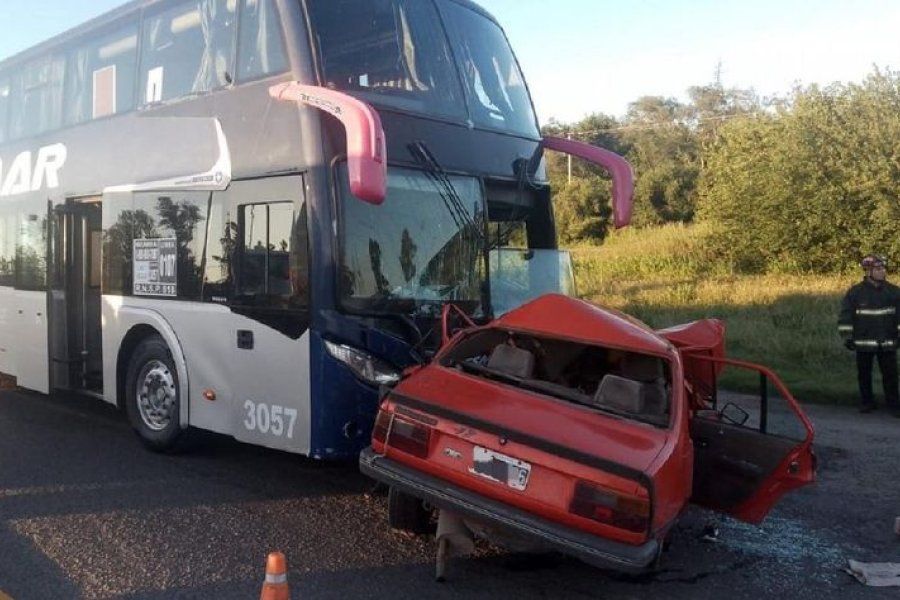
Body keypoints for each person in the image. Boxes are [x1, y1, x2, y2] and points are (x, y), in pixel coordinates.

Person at [838, 255, 900, 416]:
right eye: (878, 269)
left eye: (883, 268)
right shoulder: (855, 292)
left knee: (891, 375)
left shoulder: (893, 292)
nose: (882, 272)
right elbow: (846, 316)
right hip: (863, 342)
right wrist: (847, 336)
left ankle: (893, 405)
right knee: (864, 375)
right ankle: (867, 402)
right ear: (868, 271)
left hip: (887, 341)